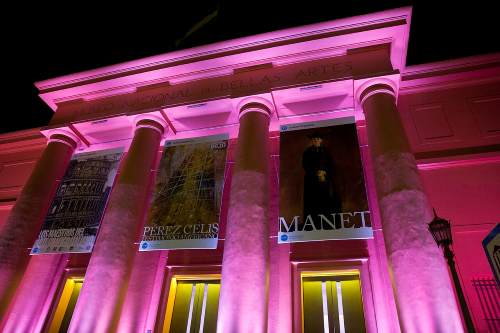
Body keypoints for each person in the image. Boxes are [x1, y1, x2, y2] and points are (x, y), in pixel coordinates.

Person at [301, 133, 341, 230]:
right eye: (314, 139)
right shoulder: (307, 152)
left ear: (321, 140)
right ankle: (314, 224)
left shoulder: (326, 151)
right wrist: (317, 174)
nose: (316, 141)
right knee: (313, 202)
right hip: (312, 181)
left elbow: (331, 165)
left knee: (326, 201)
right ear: (311, 141)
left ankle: (328, 224)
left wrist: (324, 173)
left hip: (325, 180)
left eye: (318, 139)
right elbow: (306, 165)